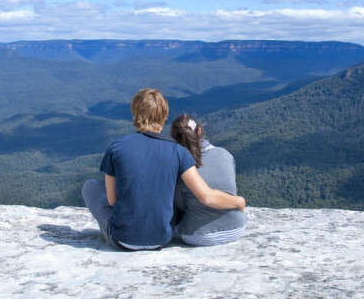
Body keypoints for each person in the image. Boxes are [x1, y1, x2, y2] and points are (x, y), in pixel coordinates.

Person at [82, 88, 245, 250]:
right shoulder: (179, 151)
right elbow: (204, 195)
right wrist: (238, 201)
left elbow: (112, 201)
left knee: (90, 186)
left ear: (134, 114)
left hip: (123, 240)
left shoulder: (116, 148)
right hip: (161, 239)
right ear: (165, 117)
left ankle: (108, 233)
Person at [171, 114, 247, 246]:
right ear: (199, 130)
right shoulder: (224, 154)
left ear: (174, 137)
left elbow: (180, 204)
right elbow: (231, 189)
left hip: (197, 235)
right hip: (237, 229)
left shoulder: (179, 165)